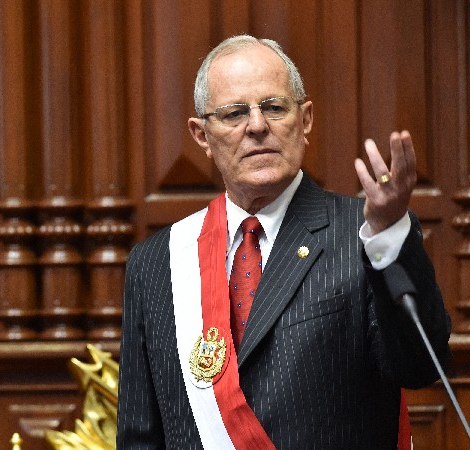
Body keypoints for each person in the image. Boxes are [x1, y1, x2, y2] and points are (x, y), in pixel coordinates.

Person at [116, 35, 451, 449]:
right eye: (234, 113)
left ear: (305, 119)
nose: (257, 126)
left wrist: (389, 235)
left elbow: (418, 365)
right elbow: (139, 436)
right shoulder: (156, 263)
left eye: (274, 107)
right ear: (201, 135)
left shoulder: (363, 234)